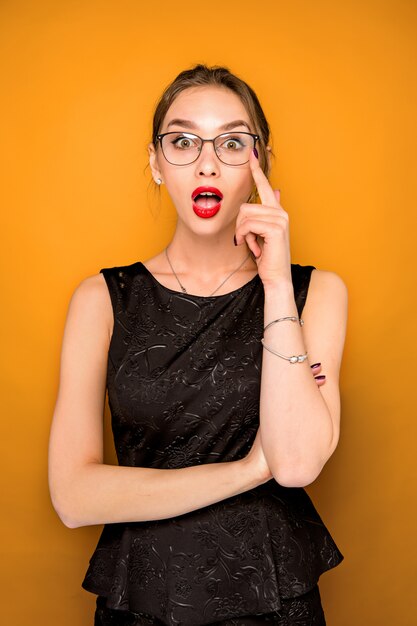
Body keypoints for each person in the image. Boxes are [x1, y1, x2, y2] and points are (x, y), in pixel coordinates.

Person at [48, 64, 348, 626]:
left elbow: (299, 462)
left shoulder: (315, 293)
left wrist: (277, 282)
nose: (207, 162)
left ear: (260, 164)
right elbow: (72, 496)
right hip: (141, 598)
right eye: (183, 141)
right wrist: (250, 469)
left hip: (274, 600)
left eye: (232, 143)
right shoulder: (101, 299)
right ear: (155, 164)